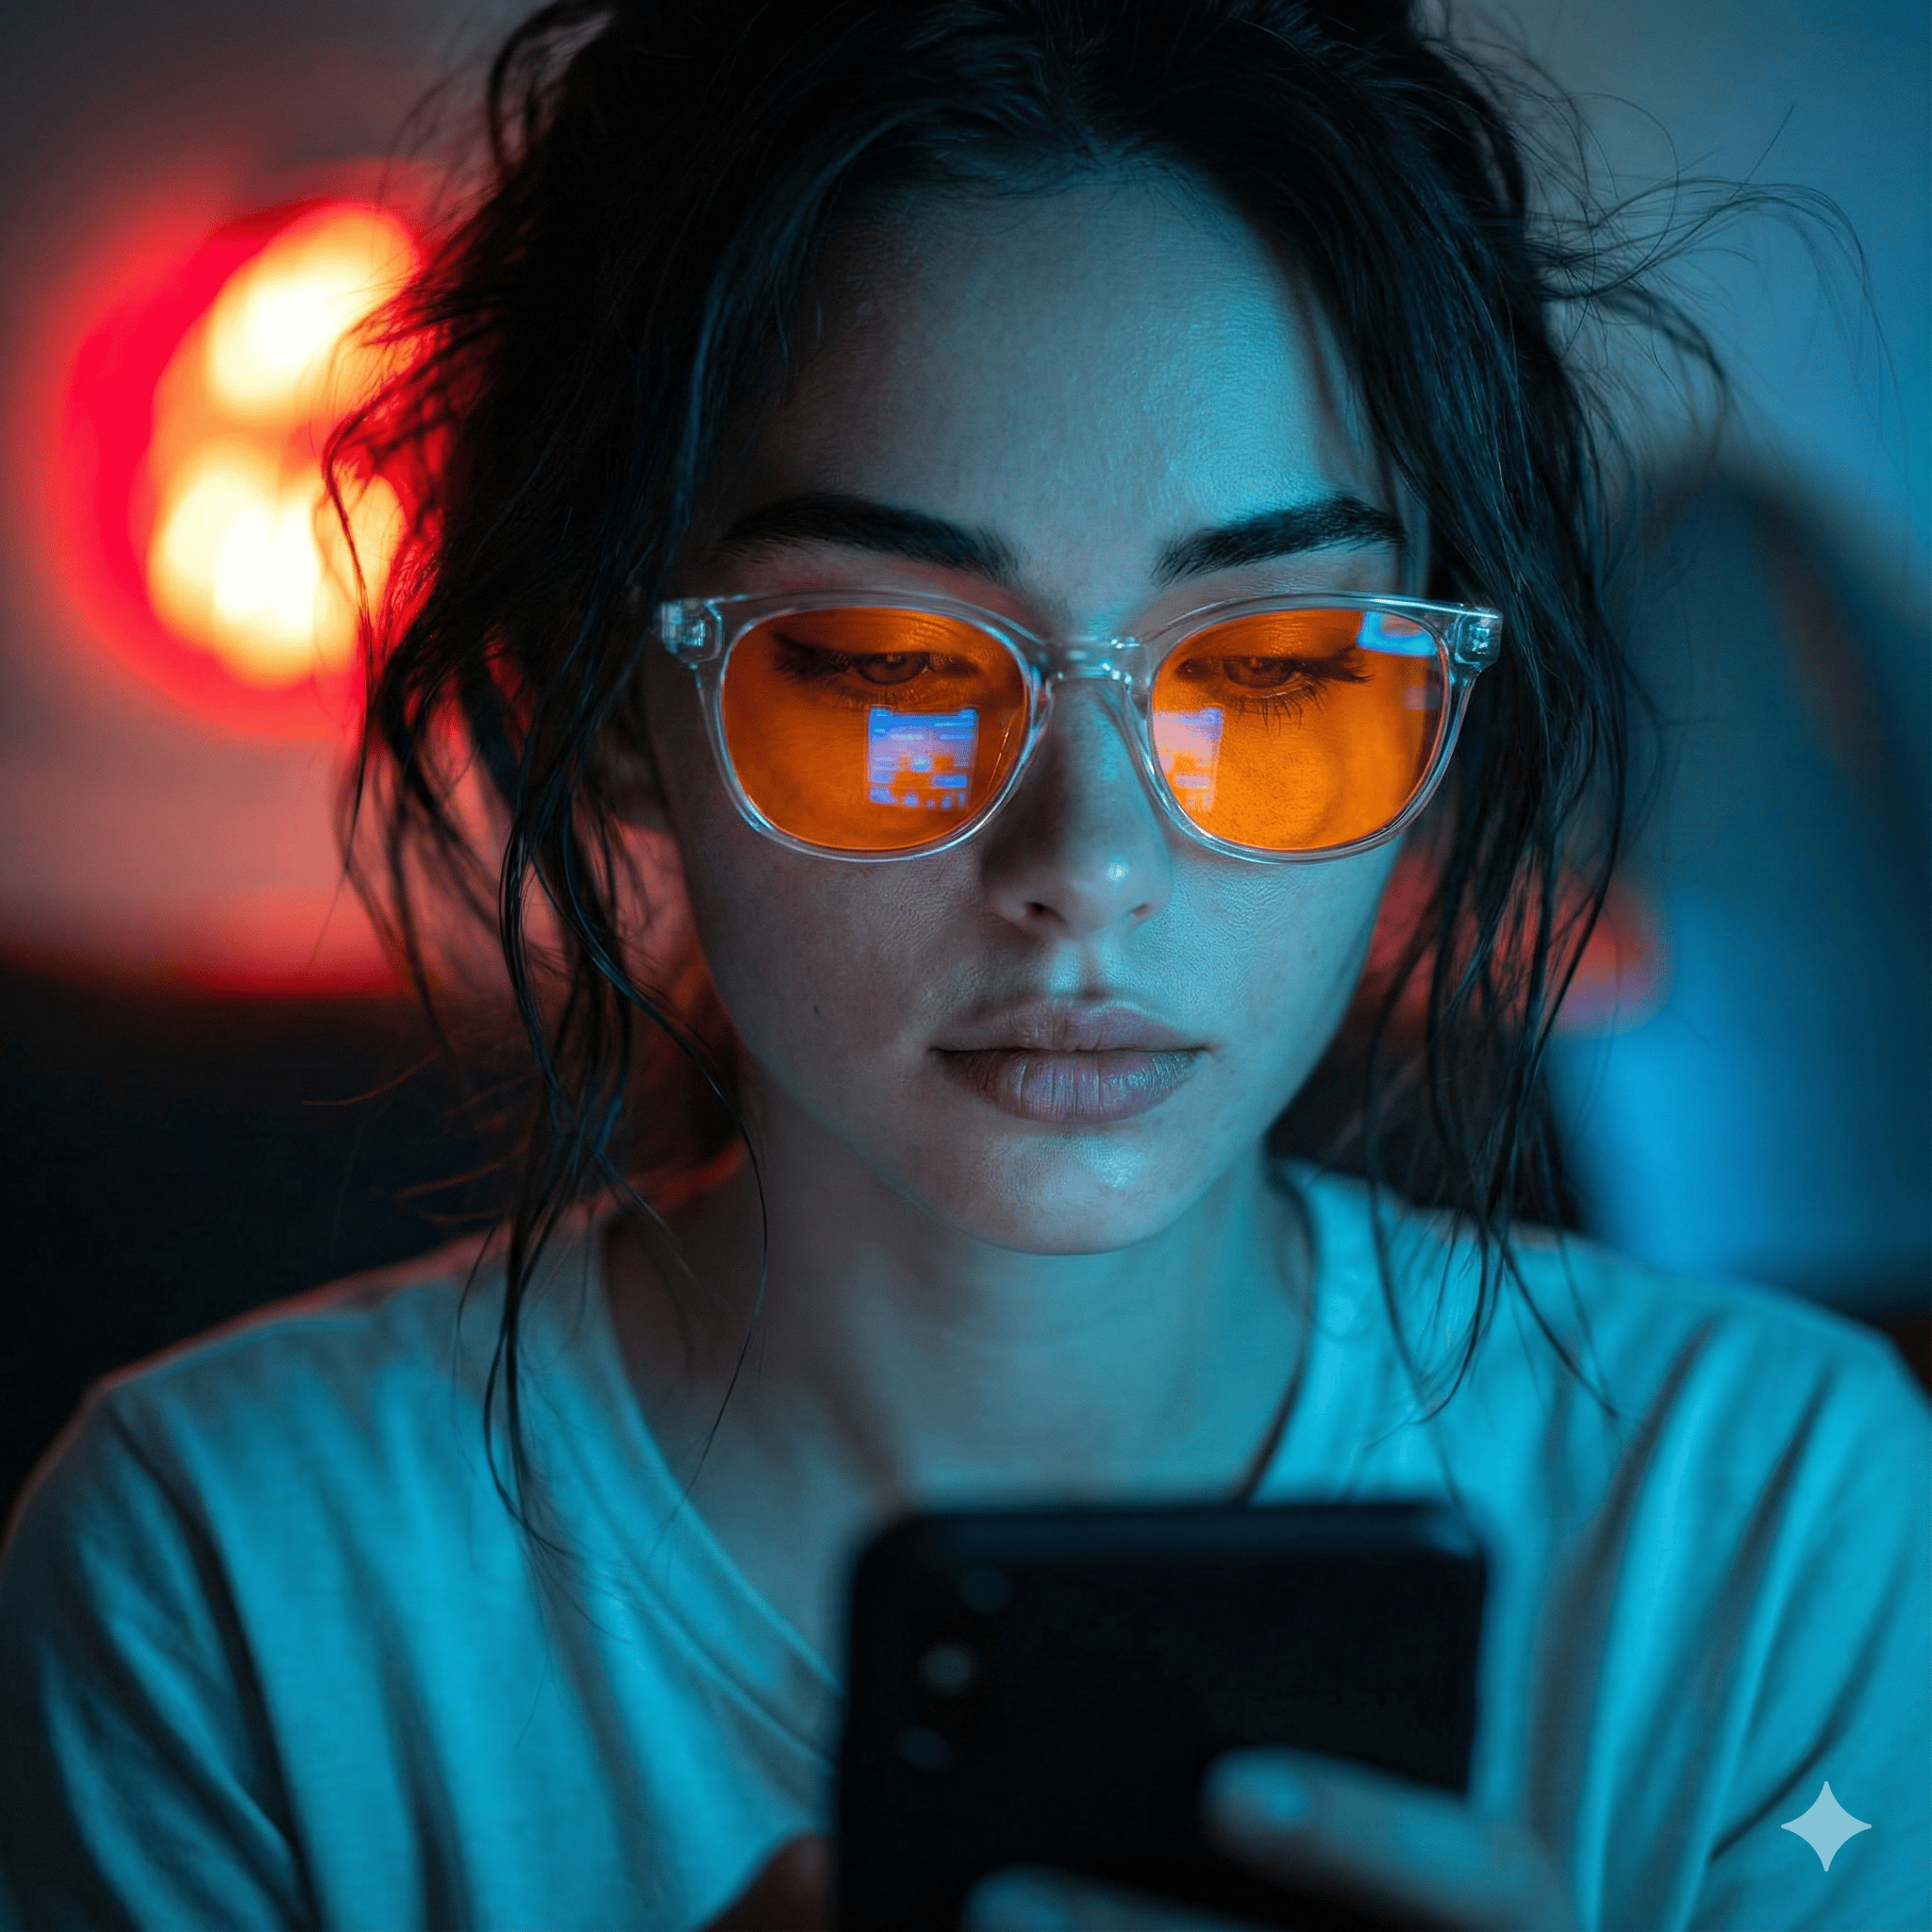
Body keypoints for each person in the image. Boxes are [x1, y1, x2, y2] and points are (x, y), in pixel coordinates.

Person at [2, 3, 1926, 1927]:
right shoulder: (225, 1582)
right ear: (599, 706)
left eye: (1272, 671)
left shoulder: (1778, 1524)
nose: (1085, 865)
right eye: (889, 670)